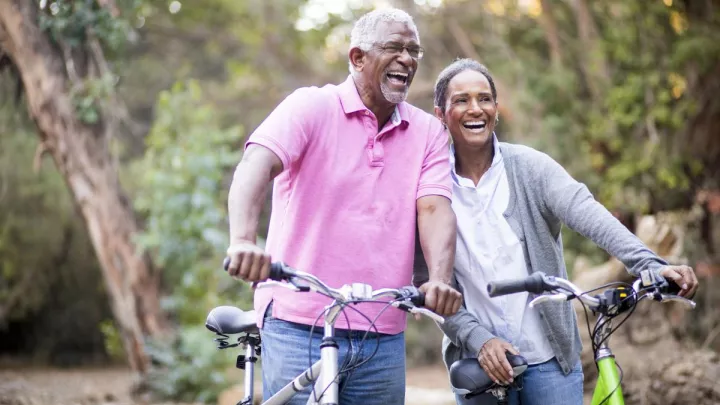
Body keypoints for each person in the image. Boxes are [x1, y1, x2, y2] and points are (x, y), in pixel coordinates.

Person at [423, 58, 699, 405]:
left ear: (495, 108)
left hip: (550, 362)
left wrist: (648, 263)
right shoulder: (431, 187)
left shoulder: (529, 168)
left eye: (484, 98)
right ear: (440, 113)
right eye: (461, 100)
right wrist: (479, 339)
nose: (475, 108)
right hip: (479, 364)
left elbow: (587, 212)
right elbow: (432, 283)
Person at [224, 8, 463, 405]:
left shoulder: (428, 133)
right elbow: (254, 168)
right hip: (298, 321)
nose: (407, 58)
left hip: (382, 329)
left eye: (414, 50)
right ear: (357, 58)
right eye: (394, 47)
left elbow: (435, 208)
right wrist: (243, 242)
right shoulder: (311, 107)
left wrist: (439, 279)